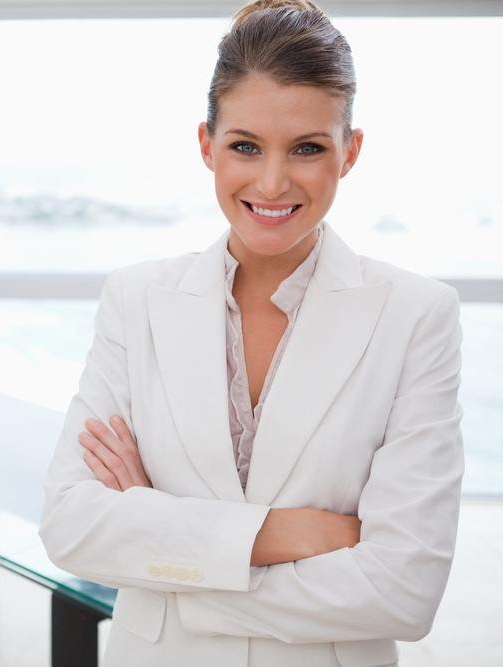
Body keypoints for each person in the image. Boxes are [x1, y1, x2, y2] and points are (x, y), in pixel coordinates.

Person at [38, 2, 464, 665]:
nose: (271, 181)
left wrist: (165, 547)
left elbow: (403, 590)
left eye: (308, 148)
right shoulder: (135, 300)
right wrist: (287, 533)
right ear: (206, 143)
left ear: (349, 152)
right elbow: (71, 526)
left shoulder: (416, 315)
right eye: (245, 145)